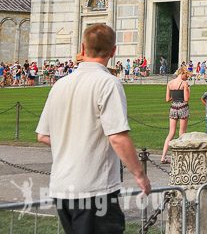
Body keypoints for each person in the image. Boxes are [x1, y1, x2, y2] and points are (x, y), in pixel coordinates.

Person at [36, 24, 151, 233]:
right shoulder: (108, 83)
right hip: (94, 189)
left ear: (82, 48)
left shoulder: (60, 84)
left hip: (62, 189)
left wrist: (75, 143)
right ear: (113, 51)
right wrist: (140, 175)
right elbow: (117, 136)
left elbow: (43, 135)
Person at [160, 66, 190, 164]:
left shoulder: (170, 83)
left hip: (173, 107)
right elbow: (186, 99)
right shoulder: (184, 84)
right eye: (186, 76)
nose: (187, 78)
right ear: (183, 74)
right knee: (182, 133)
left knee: (171, 133)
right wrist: (188, 90)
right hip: (182, 107)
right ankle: (181, 157)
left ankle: (163, 156)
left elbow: (167, 99)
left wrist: (175, 97)